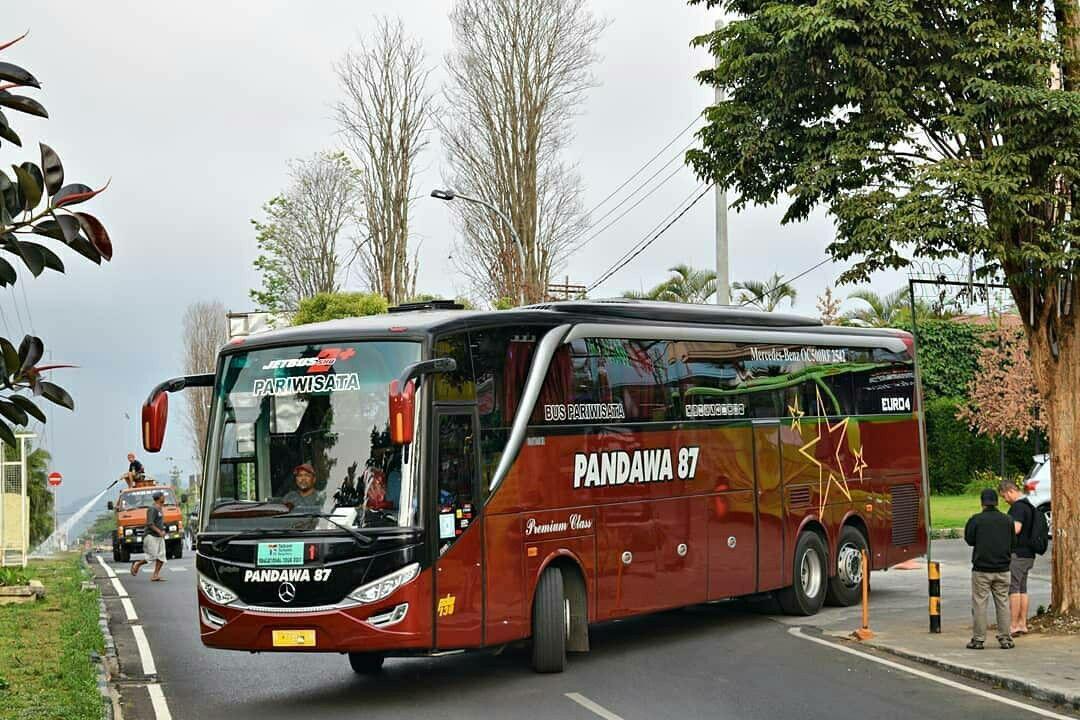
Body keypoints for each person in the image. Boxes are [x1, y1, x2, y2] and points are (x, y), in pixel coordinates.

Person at [963, 488, 1014, 650]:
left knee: (979, 603)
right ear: (997, 502)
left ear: (982, 502)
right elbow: (1013, 542)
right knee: (1003, 603)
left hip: (982, 569)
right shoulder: (1007, 520)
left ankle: (978, 639)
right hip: (1003, 568)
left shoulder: (976, 520)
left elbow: (969, 540)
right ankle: (1005, 638)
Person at [1000, 479, 1036, 636]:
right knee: (1022, 588)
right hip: (1029, 554)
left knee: (1013, 588)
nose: (1005, 500)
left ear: (1010, 491)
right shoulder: (1029, 505)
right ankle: (1022, 623)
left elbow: (1016, 529)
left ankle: (1013, 625)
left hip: (1017, 554)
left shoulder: (1017, 508)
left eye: (1004, 496)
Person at [131, 492, 167, 581]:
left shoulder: (160, 509)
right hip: (151, 536)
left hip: (159, 537)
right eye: (163, 496)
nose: (164, 498)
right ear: (159, 498)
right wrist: (159, 531)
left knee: (162, 556)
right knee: (152, 556)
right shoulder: (152, 509)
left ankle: (155, 575)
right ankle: (137, 564)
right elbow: (150, 523)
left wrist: (162, 531)